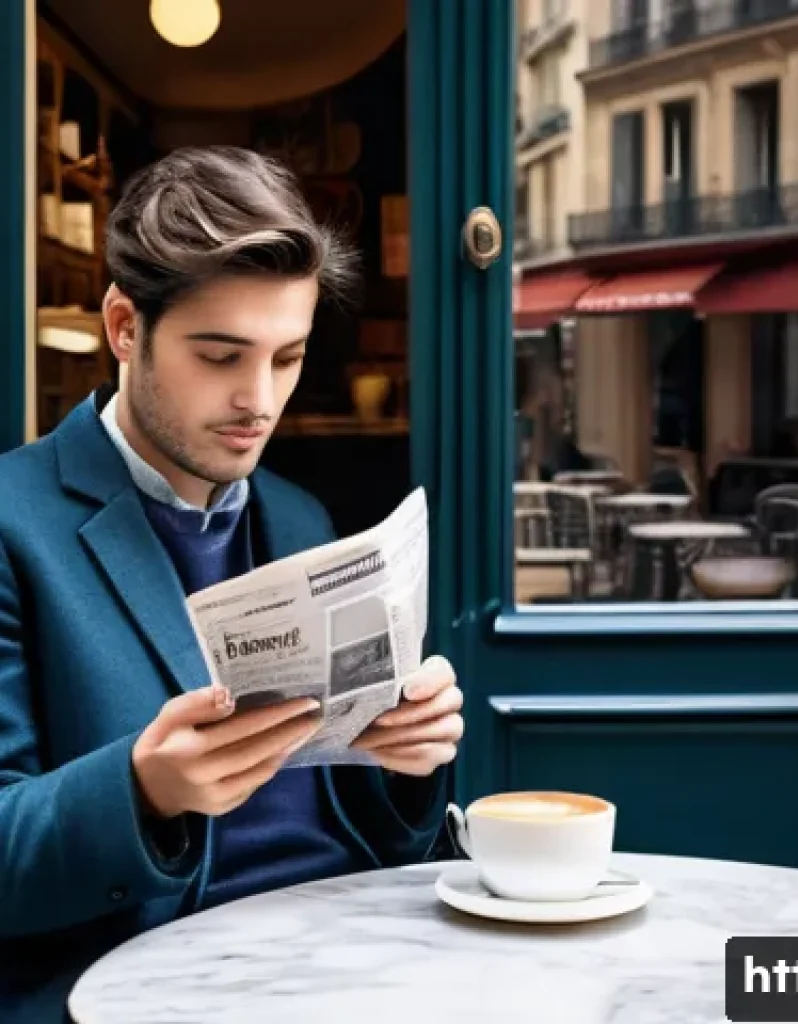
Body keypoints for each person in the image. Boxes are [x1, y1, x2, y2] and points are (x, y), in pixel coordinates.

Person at [0, 146, 463, 1022]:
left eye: (288, 358)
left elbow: (362, 823)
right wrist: (142, 791)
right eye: (221, 356)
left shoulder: (300, 518)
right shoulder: (12, 523)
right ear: (125, 328)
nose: (260, 400)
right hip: (154, 986)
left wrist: (407, 757)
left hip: (360, 963)